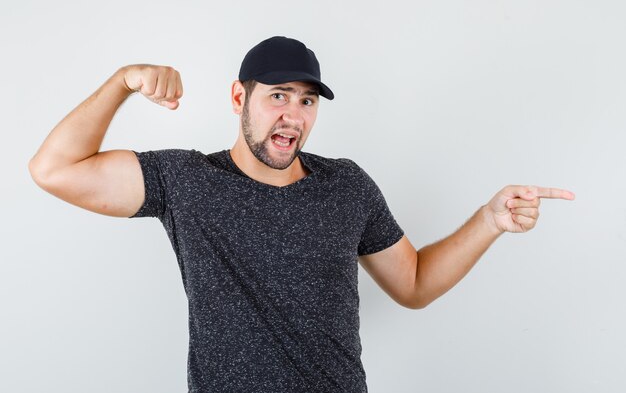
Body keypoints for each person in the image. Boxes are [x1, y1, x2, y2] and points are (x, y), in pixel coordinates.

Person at [28, 36, 575, 393]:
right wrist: (123, 81)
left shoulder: (347, 185)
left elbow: (412, 284)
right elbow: (55, 169)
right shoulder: (188, 181)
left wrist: (489, 220)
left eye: (307, 101)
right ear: (240, 98)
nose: (293, 115)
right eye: (279, 96)